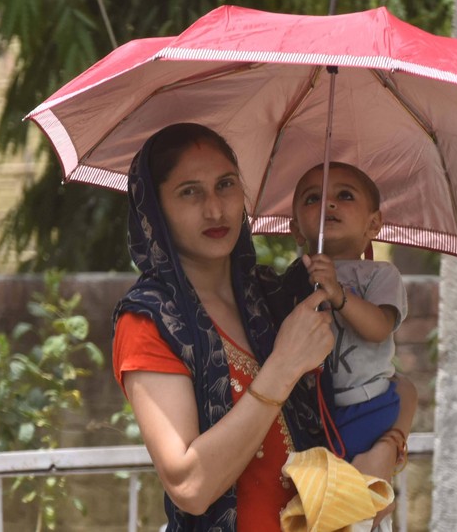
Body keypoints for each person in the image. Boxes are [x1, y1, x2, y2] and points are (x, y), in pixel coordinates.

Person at [111, 124, 412, 532]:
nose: (215, 209)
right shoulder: (151, 320)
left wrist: (386, 449)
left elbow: (399, 386)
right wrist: (283, 367)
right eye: (189, 192)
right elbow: (190, 485)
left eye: (226, 185)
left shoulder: (278, 295)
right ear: (156, 211)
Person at [289, 161, 409, 461]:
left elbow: (380, 328)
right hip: (310, 413)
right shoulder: (291, 279)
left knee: (344, 491)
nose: (327, 203)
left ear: (373, 224)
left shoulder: (381, 275)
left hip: (367, 406)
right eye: (312, 198)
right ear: (296, 230)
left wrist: (338, 293)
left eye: (345, 196)